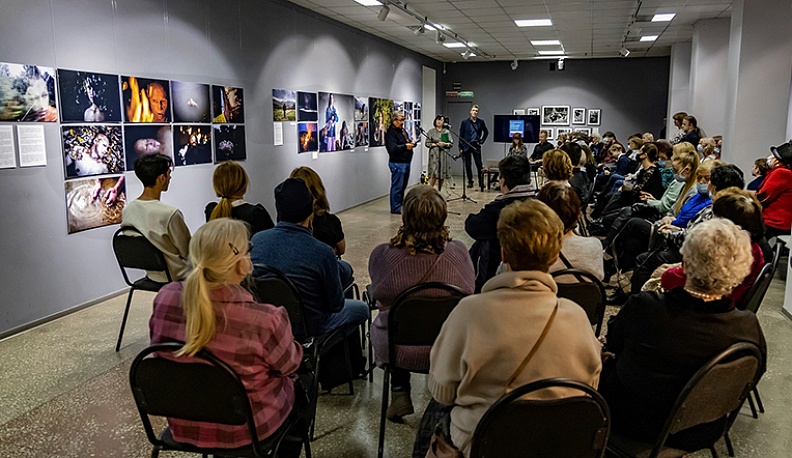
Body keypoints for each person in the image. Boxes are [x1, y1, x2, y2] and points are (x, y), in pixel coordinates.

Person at [419, 199, 601, 458]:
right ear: (553, 255)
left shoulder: (469, 312)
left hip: (483, 443)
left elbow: (442, 391)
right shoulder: (578, 318)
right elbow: (589, 386)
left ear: (503, 252)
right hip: (554, 445)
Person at [600, 218, 766, 451]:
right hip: (702, 430)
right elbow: (751, 378)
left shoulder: (646, 306)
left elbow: (613, 343)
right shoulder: (748, 327)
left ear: (685, 263)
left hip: (631, 421)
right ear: (739, 272)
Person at [149, 218, 305, 451]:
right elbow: (289, 365)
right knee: (305, 387)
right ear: (242, 264)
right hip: (246, 430)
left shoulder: (165, 298)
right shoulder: (264, 319)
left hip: (184, 423)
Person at [369, 186, 475, 421]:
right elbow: (469, 290)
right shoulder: (458, 253)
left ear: (405, 216)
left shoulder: (383, 255)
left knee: (392, 320)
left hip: (397, 351)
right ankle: (443, 395)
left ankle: (399, 390)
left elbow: (379, 294)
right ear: (442, 216)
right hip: (449, 348)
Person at [250, 178, 369, 337]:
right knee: (362, 309)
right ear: (310, 209)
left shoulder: (257, 241)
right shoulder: (322, 252)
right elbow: (335, 305)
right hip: (312, 326)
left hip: (271, 322)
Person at [629, 163, 745, 294]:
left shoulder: (721, 211)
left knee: (643, 258)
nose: (703, 183)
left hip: (692, 257)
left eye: (708, 180)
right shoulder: (724, 206)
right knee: (635, 241)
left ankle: (639, 303)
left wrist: (671, 233)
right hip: (688, 245)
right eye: (700, 178)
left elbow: (697, 242)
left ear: (715, 186)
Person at [656, 190, 769, 307]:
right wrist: (678, 266)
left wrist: (668, 274)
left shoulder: (730, 250)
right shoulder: (752, 247)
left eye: (715, 217)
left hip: (707, 306)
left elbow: (702, 282)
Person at [466, 155, 535, 292]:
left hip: (495, 278)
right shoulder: (541, 206)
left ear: (503, 181)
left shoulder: (496, 211)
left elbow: (472, 226)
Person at [122, 153, 191, 282]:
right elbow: (188, 251)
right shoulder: (170, 214)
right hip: (176, 274)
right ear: (161, 178)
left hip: (152, 274)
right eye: (169, 173)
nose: (170, 177)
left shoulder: (127, 210)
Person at [289, 166, 354, 288]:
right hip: (323, 288)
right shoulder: (329, 222)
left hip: (292, 288)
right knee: (346, 270)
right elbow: (341, 249)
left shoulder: (282, 227)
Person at [538, 182, 604, 280]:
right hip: (585, 295)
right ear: (577, 212)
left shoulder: (532, 253)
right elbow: (600, 277)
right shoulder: (594, 245)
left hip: (548, 294)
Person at [205, 161, 274, 237]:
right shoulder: (256, 214)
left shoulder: (212, 212)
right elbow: (271, 243)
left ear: (216, 186)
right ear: (244, 184)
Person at [757, 142, 792, 239]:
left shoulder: (781, 173)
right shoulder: (787, 173)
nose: (769, 157)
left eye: (772, 155)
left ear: (777, 161)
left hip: (774, 221)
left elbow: (764, 197)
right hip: (785, 222)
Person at [385, 111, 417, 214]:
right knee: (397, 187)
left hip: (405, 163)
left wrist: (411, 144)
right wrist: (405, 146)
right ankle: (395, 208)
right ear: (394, 121)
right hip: (398, 163)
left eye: (403, 119)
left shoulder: (402, 131)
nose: (402, 122)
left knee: (402, 186)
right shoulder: (391, 133)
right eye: (400, 120)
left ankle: (400, 205)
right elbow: (393, 149)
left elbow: (405, 142)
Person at [458, 104, 489, 191]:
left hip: (476, 145)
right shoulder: (465, 122)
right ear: (470, 112)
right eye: (473, 110)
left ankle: (481, 182)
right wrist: (460, 146)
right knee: (468, 165)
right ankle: (470, 181)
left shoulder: (481, 122)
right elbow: (461, 135)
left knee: (479, 165)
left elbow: (486, 132)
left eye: (476, 111)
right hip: (466, 145)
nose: (475, 112)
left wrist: (482, 141)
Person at [425, 115, 453, 192]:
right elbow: (427, 143)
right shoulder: (431, 131)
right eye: (438, 120)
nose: (439, 121)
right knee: (434, 173)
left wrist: (445, 144)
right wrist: (434, 144)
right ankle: (430, 191)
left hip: (443, 155)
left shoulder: (446, 132)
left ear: (444, 122)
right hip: (434, 155)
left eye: (441, 120)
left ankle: (439, 191)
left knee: (442, 174)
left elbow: (450, 143)